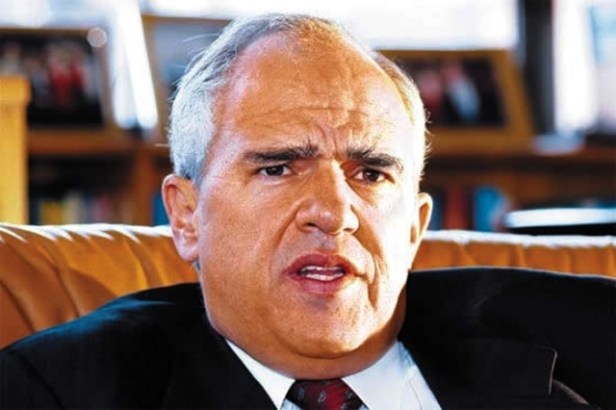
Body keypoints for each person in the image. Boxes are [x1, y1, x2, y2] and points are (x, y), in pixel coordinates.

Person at [1, 13, 614, 410]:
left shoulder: (593, 343)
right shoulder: (56, 390)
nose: (332, 212)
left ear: (414, 228)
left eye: (370, 173)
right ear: (186, 217)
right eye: (278, 168)